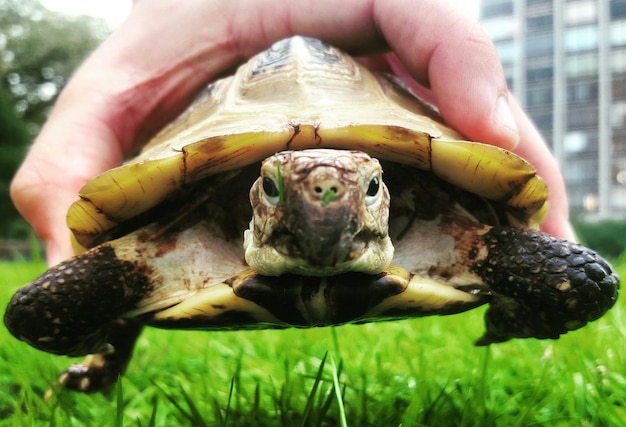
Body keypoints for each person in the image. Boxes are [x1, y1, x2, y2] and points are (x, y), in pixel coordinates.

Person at [9, 0, 574, 265]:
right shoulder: (193, 217)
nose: (327, 190)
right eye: (277, 187)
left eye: (370, 186)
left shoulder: (466, 234)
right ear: (255, 193)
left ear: (387, 190)